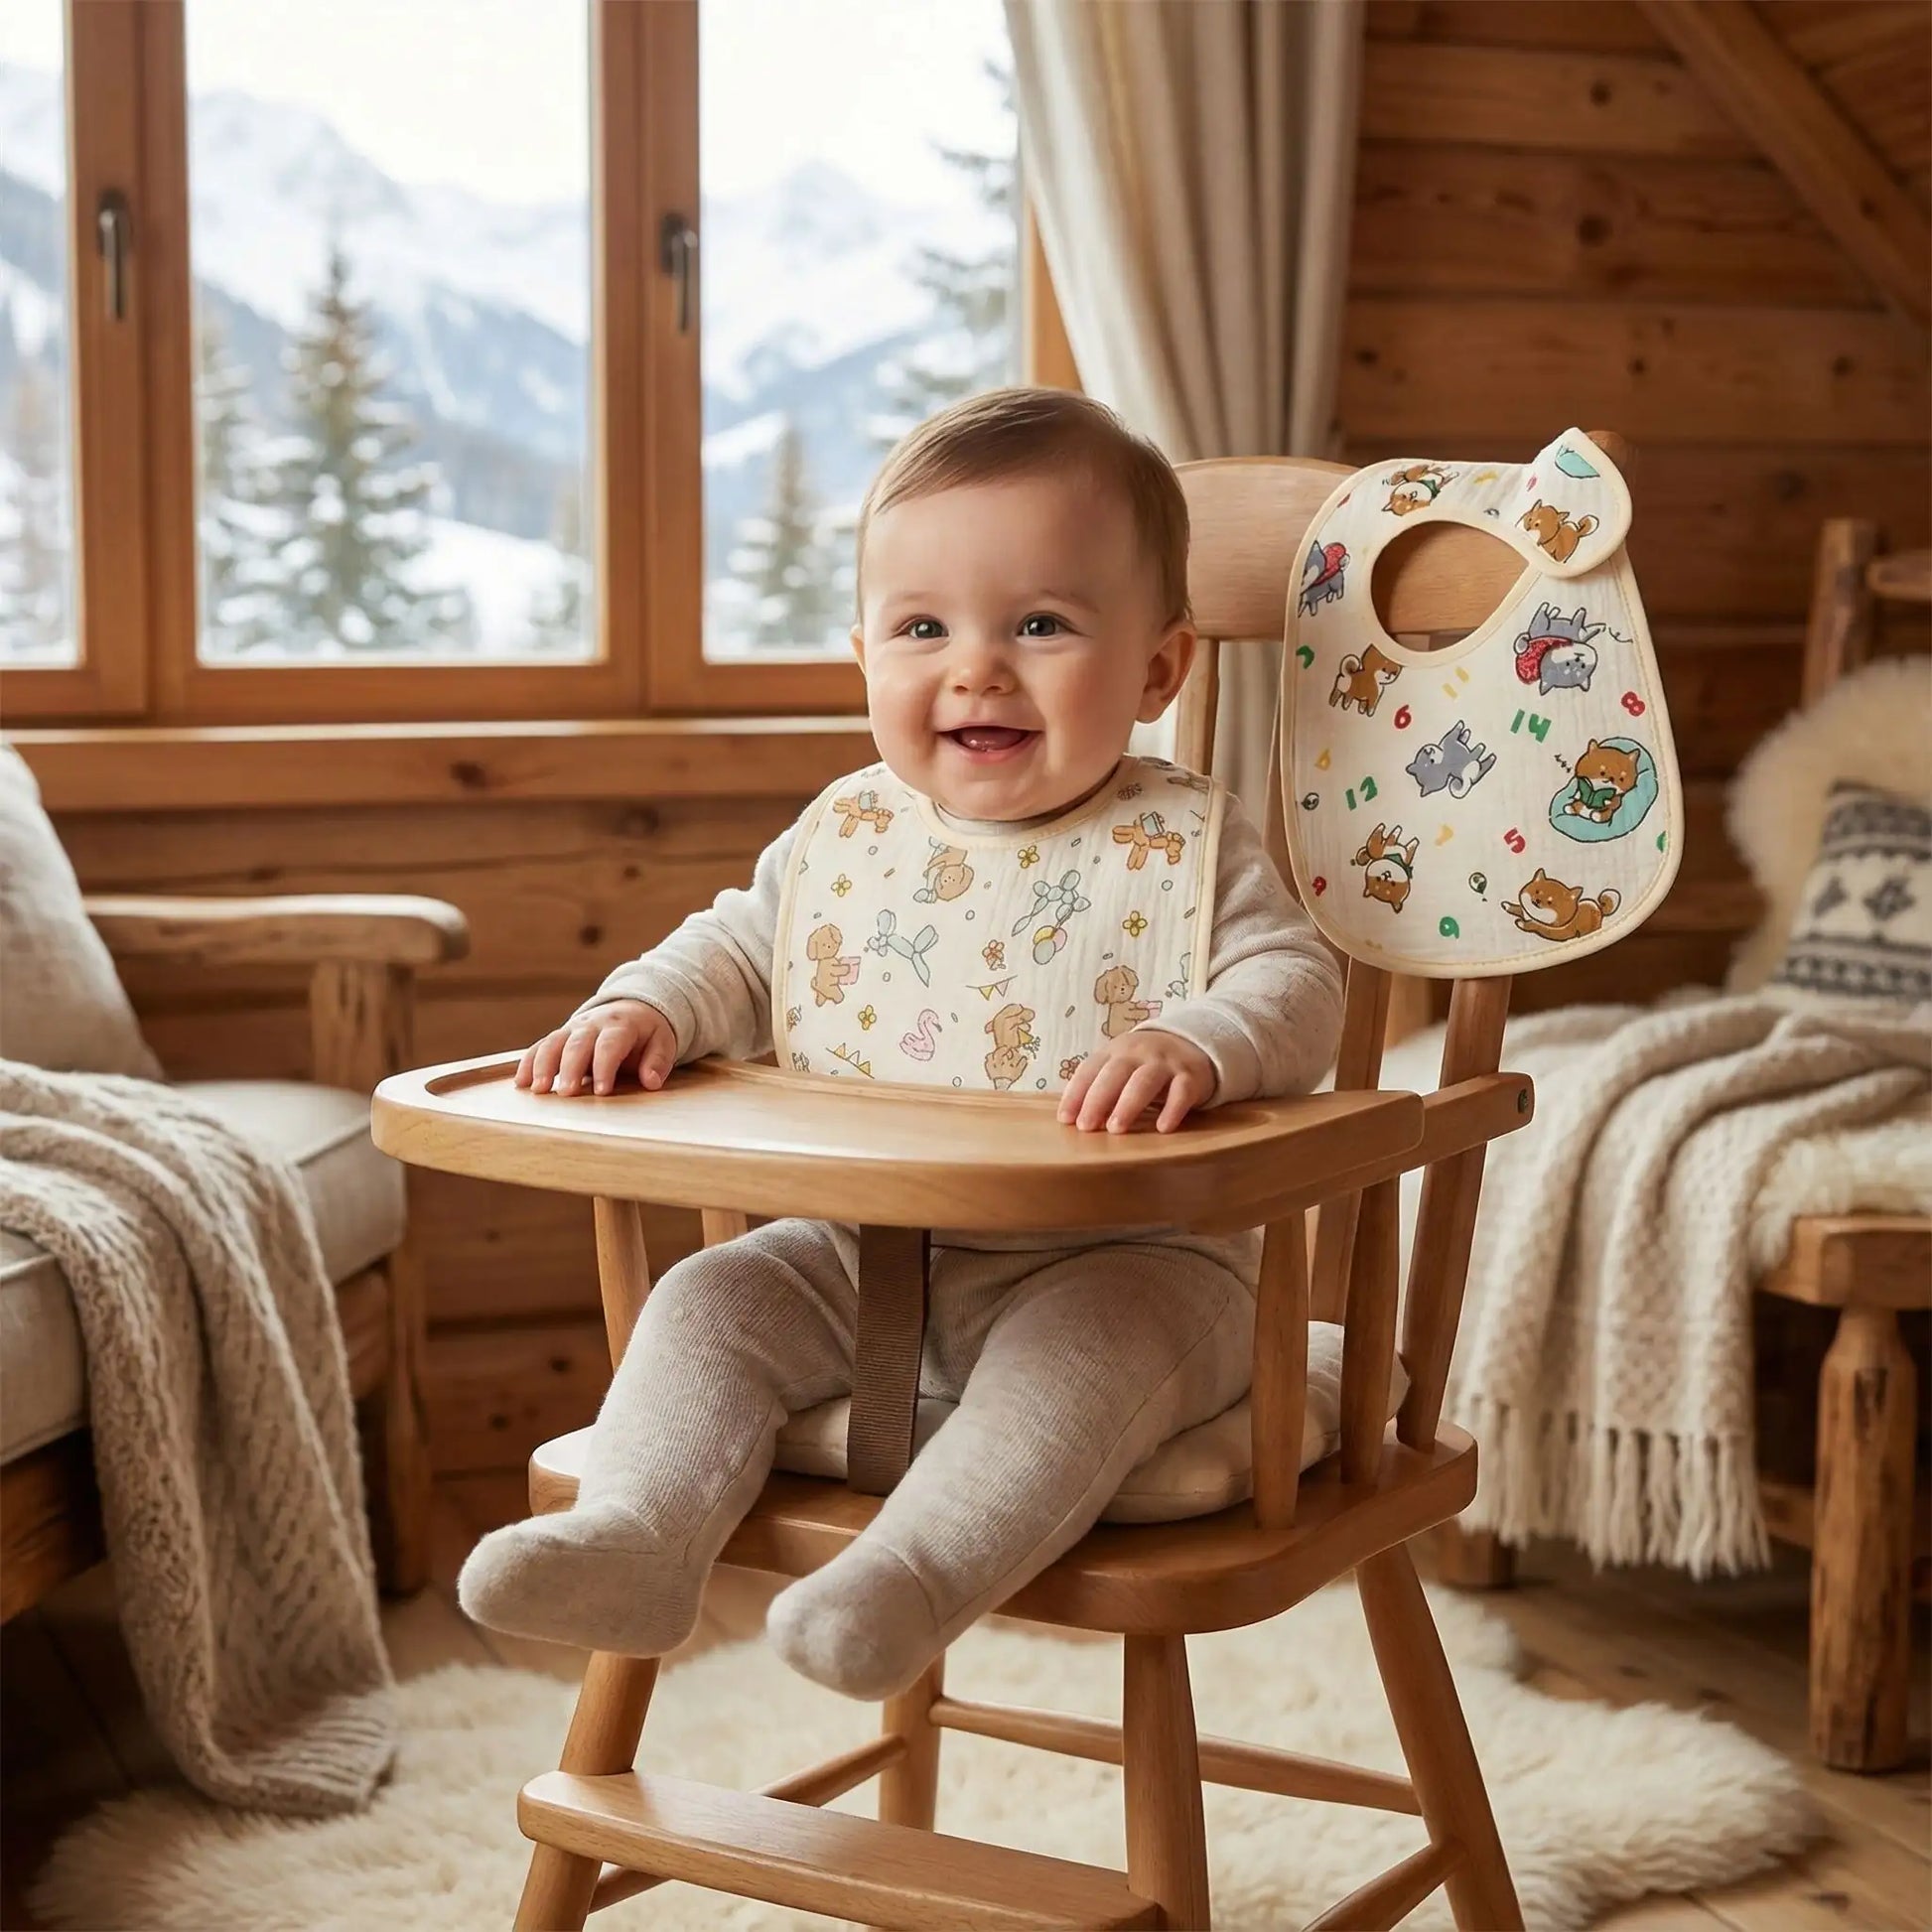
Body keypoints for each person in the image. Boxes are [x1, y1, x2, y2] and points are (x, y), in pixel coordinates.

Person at [458, 387, 1342, 1700]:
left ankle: (907, 1579)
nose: (975, 667)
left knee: (1081, 1359)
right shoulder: (846, 837)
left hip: (1128, 1264)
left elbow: (1298, 982)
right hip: (857, 1260)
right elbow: (740, 950)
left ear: (1159, 668)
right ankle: (638, 1533)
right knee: (712, 1296)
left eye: (1040, 624)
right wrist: (638, 1010)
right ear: (862, 651)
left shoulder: (1181, 847)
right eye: (922, 627)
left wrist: (1199, 1038)